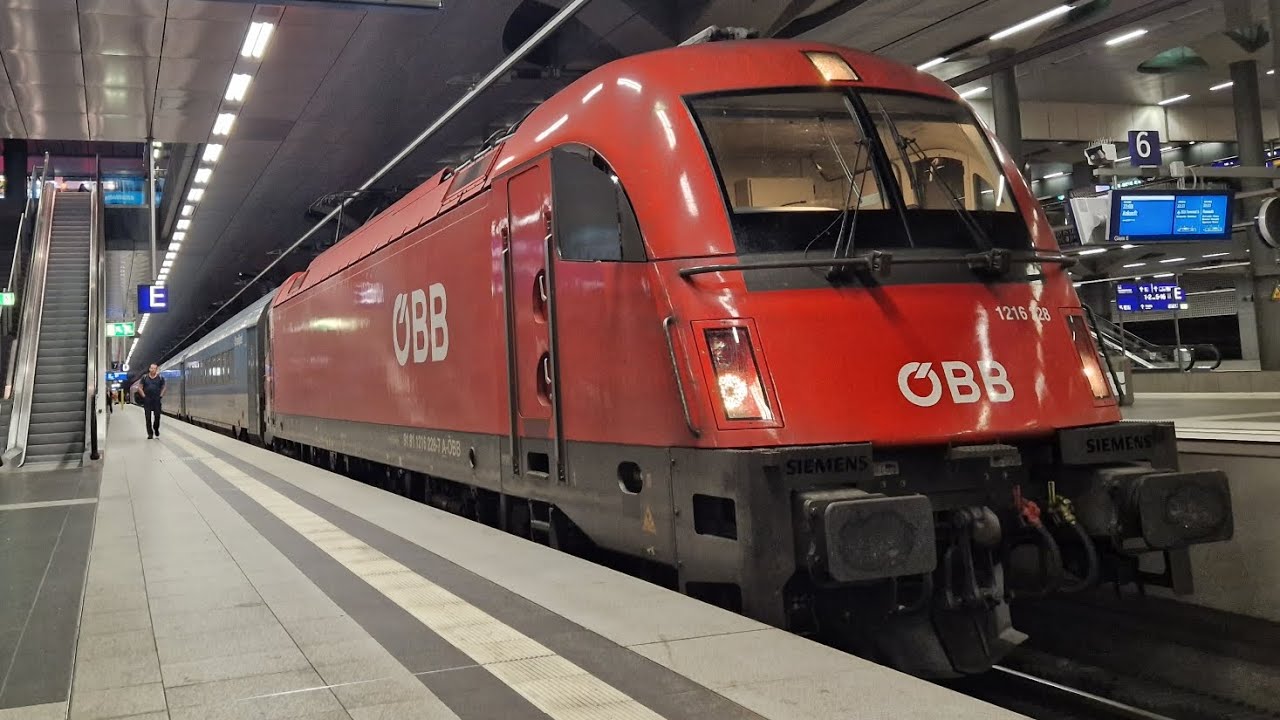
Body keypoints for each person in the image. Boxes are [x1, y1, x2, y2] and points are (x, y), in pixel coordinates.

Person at [137, 364, 165, 439]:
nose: (152, 370)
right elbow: (140, 388)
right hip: (147, 399)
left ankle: (156, 428)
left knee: (157, 416)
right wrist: (144, 396)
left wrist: (160, 396)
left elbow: (164, 387)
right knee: (148, 417)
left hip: (156, 399)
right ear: (149, 369)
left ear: (156, 369)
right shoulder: (144, 377)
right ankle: (150, 433)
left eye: (154, 368)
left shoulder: (160, 378)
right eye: (151, 368)